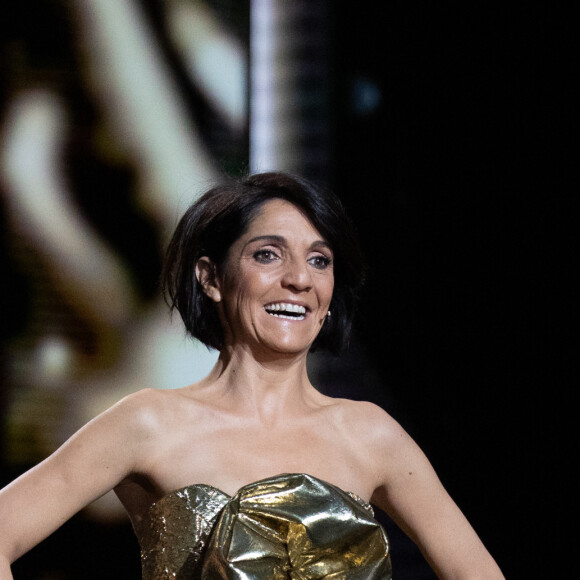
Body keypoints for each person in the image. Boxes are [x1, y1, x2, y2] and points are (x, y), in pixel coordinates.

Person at [0, 171, 504, 579]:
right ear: (211, 278)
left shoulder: (370, 434)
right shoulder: (149, 422)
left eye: (319, 260)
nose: (300, 279)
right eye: (267, 254)